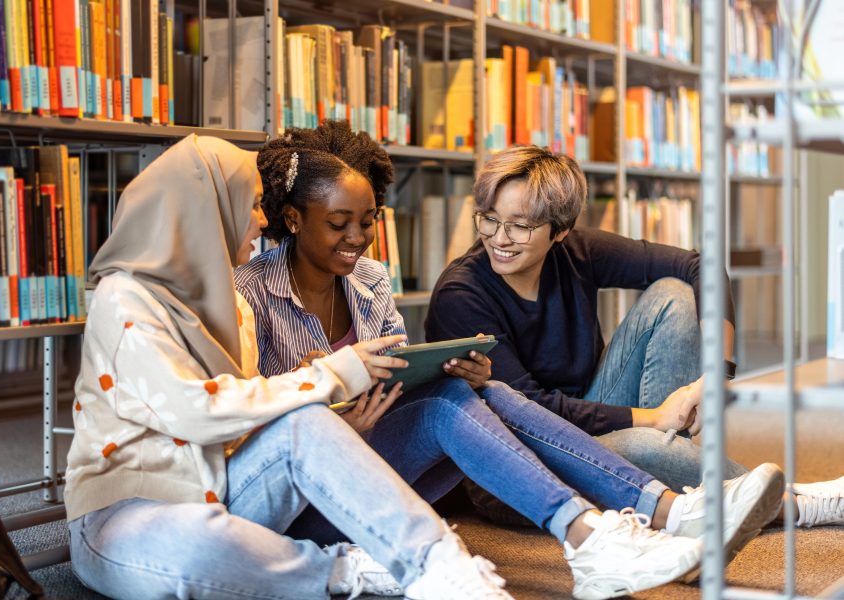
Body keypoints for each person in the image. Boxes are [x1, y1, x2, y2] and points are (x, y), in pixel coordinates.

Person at [234, 121, 782, 599]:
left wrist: (716, 376)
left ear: (558, 232)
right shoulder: (251, 294)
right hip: (310, 484)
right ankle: (709, 507)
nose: (358, 239)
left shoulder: (372, 284)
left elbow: (403, 380)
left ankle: (641, 519)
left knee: (486, 389)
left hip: (389, 458)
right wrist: (322, 408)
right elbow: (244, 428)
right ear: (294, 218)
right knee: (629, 440)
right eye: (338, 224)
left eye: (368, 219)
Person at [65, 133, 517, 600]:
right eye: (253, 204)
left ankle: (438, 562)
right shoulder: (123, 297)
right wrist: (330, 375)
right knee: (195, 549)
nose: (263, 221)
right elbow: (193, 411)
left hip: (223, 491)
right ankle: (346, 569)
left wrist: (327, 408)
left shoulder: (231, 303)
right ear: (207, 209)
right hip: (129, 511)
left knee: (307, 421)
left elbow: (248, 420)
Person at [425, 144, 844, 529]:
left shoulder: (576, 253)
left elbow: (703, 268)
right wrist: (650, 418)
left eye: (520, 226)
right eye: (490, 219)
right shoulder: (461, 295)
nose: (499, 239)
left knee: (675, 295)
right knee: (645, 448)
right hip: (519, 463)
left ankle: (671, 482)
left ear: (559, 230)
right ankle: (795, 504)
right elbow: (529, 409)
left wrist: (718, 374)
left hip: (591, 417)